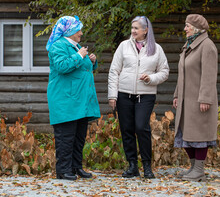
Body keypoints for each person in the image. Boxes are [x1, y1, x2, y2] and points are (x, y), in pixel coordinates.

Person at [108, 16, 169, 178]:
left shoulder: (156, 49)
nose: (133, 31)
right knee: (127, 129)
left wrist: (151, 78)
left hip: (146, 95)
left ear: (145, 30)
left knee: (141, 127)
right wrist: (112, 95)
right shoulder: (123, 46)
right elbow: (114, 71)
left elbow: (164, 71)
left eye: (136, 28)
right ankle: (132, 165)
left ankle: (147, 166)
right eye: (132, 28)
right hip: (124, 94)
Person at [46, 16, 101, 180]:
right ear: (69, 31)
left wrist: (92, 61)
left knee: (78, 137)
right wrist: (79, 55)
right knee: (66, 137)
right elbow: (62, 66)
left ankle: (76, 167)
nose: (81, 33)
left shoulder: (75, 46)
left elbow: (83, 69)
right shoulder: (58, 47)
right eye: (79, 30)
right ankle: (63, 170)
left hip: (79, 101)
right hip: (65, 100)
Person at [172, 14, 218, 182]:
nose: (185, 29)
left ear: (196, 29)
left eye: (187, 26)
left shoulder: (207, 46)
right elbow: (182, 74)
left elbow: (209, 75)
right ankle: (193, 167)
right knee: (186, 134)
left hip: (199, 100)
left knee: (199, 134)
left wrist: (205, 98)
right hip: (186, 100)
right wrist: (177, 94)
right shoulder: (189, 46)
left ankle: (199, 170)